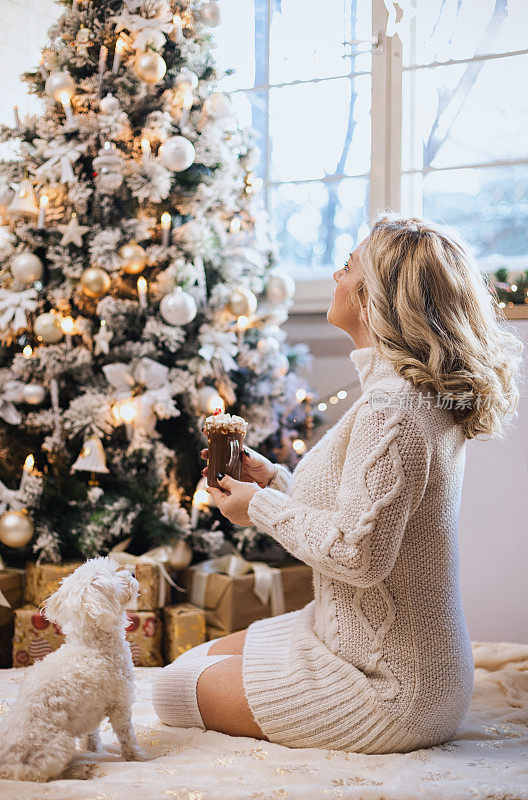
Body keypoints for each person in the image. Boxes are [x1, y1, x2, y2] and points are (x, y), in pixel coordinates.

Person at [152, 212, 524, 753]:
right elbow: (358, 514)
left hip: (389, 687)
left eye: (348, 266)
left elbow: (357, 553)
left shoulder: (394, 407)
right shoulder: (400, 393)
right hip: (344, 638)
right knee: (190, 666)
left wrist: (258, 508)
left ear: (377, 297)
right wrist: (274, 482)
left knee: (173, 690)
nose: (335, 275)